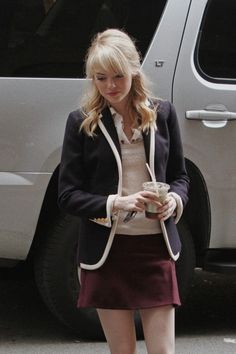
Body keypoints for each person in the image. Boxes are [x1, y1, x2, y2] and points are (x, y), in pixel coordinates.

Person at [58, 28, 189, 354]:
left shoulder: (163, 113)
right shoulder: (81, 122)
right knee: (123, 352)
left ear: (134, 69)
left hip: (156, 248)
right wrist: (118, 203)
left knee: (162, 351)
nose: (110, 86)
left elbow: (180, 178)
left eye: (118, 75)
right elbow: (67, 194)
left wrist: (173, 200)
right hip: (108, 252)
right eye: (100, 78)